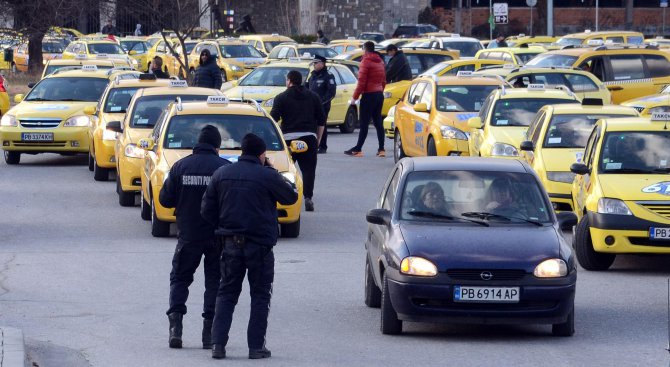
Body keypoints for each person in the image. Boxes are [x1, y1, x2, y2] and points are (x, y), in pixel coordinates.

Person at [201, 133, 298, 360]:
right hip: (260, 247)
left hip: (230, 244)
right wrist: (272, 171)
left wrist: (222, 227)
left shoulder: (222, 173)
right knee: (260, 296)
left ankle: (218, 345)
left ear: (241, 152)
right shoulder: (267, 176)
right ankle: (256, 347)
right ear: (262, 154)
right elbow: (291, 196)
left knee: (226, 294)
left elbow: (206, 210)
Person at [159, 125, 231, 350]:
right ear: (217, 147)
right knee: (214, 282)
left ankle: (176, 329)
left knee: (180, 279)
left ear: (197, 144)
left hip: (188, 235)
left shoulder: (181, 166)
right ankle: (208, 334)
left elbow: (164, 199)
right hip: (216, 237)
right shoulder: (224, 169)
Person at [270, 70, 326, 212]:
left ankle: (283, 196)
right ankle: (308, 197)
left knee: (285, 169)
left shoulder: (281, 97)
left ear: (289, 81)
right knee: (308, 170)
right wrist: (317, 139)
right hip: (309, 137)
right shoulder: (314, 96)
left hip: (289, 139)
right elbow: (321, 120)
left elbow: (273, 119)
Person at [344, 41, 386, 157]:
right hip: (379, 94)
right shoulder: (380, 61)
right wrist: (380, 90)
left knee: (364, 123)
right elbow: (383, 80)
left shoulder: (365, 62)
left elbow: (361, 82)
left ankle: (358, 149)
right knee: (378, 122)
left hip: (369, 95)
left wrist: (354, 97)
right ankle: (381, 149)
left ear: (365, 49)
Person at [307, 55, 336, 154]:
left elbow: (331, 93)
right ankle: (314, 145)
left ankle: (323, 146)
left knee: (321, 125)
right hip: (311, 105)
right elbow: (308, 88)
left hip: (323, 105)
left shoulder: (328, 76)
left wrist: (321, 102)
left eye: (316, 63)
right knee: (312, 125)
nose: (314, 65)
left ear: (322, 64)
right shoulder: (313, 75)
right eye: (313, 63)